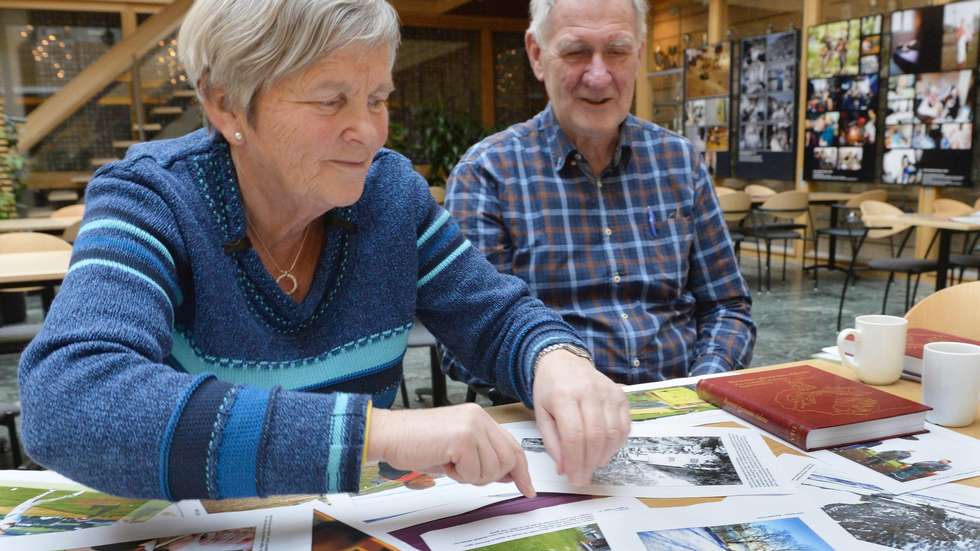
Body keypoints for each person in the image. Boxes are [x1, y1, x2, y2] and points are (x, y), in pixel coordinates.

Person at [18, 0, 631, 501]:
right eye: (330, 100)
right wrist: (375, 435)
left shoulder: (389, 195)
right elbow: (68, 401)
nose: (366, 132)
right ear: (227, 101)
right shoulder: (155, 198)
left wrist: (557, 360)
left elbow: (496, 317)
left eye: (377, 98)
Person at [442, 0, 755, 390]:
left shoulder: (679, 162)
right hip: (550, 420)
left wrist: (700, 390)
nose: (598, 75)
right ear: (537, 55)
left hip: (684, 406)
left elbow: (727, 306)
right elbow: (467, 340)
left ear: (639, 55)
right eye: (575, 52)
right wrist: (551, 379)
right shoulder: (487, 174)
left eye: (618, 51)